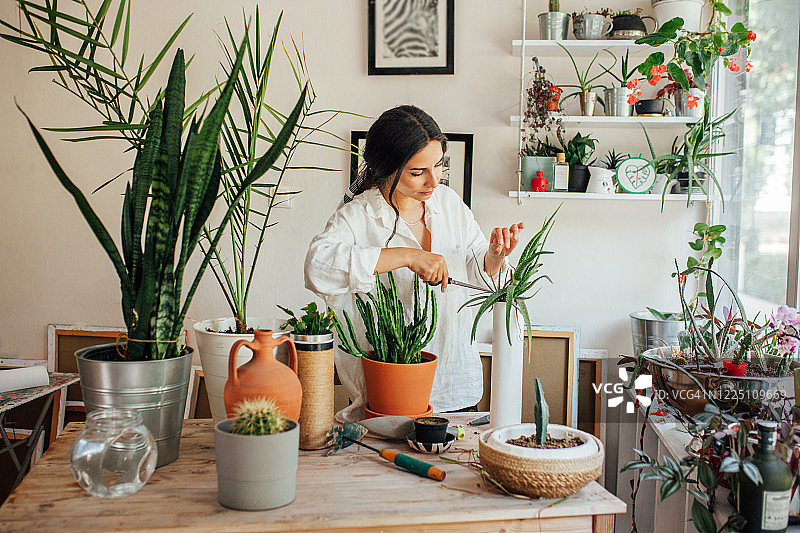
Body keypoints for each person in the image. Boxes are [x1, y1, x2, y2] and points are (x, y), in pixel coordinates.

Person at [304, 105, 524, 421]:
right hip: (386, 398)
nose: (433, 182)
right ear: (386, 169)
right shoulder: (357, 216)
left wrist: (494, 255)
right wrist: (408, 257)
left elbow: (479, 275)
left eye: (439, 165)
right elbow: (318, 266)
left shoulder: (449, 204)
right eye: (418, 172)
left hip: (455, 389)